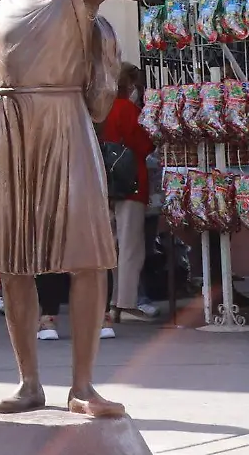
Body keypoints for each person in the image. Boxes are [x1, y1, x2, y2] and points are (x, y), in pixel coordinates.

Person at [0, 0, 218, 419]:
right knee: (15, 262)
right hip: (10, 124)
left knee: (87, 256)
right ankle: (29, 384)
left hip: (65, 122)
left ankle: (83, 386)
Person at [100, 64, 158, 324]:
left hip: (104, 184)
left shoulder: (97, 111)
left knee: (110, 248)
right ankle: (126, 304)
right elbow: (144, 145)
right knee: (131, 247)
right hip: (130, 184)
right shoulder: (127, 110)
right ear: (129, 85)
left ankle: (112, 303)